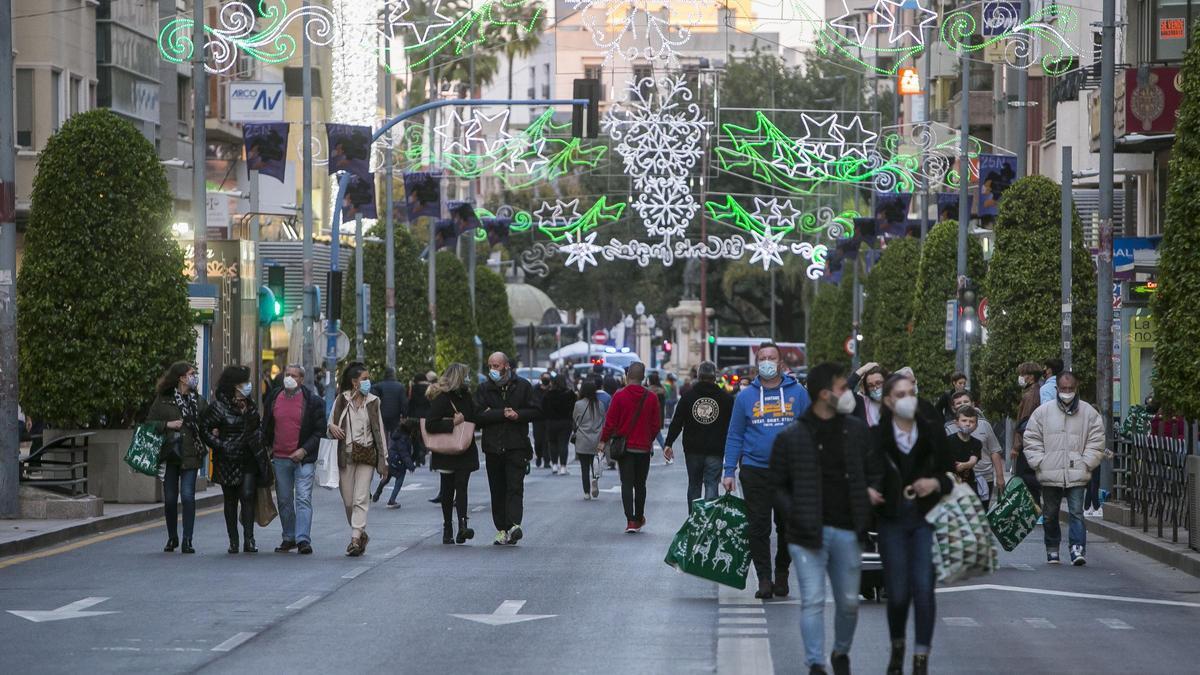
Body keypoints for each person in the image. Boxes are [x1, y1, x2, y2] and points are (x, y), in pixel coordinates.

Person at [770, 363, 883, 675]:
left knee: (848, 602)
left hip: (848, 529)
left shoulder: (856, 431)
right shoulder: (792, 436)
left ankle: (841, 652)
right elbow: (777, 485)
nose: (848, 393)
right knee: (813, 600)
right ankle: (816, 663)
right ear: (824, 395)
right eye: (842, 388)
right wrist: (794, 513)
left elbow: (874, 468)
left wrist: (872, 490)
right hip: (806, 534)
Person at [873, 373, 956, 675]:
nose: (907, 399)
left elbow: (950, 477)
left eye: (911, 392)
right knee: (896, 593)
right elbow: (863, 474)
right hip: (892, 519)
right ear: (887, 401)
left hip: (925, 519)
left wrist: (933, 482)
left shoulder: (932, 432)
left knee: (923, 588)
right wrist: (870, 491)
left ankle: (921, 658)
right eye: (900, 394)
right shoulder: (876, 436)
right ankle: (898, 646)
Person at [722, 342, 811, 599]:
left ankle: (782, 571)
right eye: (763, 358)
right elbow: (735, 434)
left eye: (772, 357)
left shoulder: (799, 393)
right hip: (754, 470)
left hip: (790, 472)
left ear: (781, 362)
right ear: (757, 363)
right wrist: (729, 470)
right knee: (758, 527)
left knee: (788, 526)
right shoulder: (745, 397)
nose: (768, 362)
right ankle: (764, 577)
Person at [1022, 371, 1106, 566]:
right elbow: (1031, 438)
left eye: (1070, 388)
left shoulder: (1089, 413)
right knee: (1050, 514)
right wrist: (1039, 462)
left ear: (1076, 389)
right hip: (1049, 471)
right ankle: (1052, 549)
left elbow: (1097, 440)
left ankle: (1077, 549)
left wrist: (1087, 462)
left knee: (1076, 512)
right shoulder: (1043, 412)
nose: (1066, 392)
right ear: (1057, 389)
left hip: (1077, 471)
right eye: (1063, 388)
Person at [475, 352, 540, 546]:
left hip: (516, 445)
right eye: (490, 366)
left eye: (496, 366)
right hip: (493, 447)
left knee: (515, 487)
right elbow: (477, 415)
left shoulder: (523, 387)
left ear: (506, 366)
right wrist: (501, 414)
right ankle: (502, 529)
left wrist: (518, 415)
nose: (493, 370)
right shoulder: (484, 389)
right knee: (497, 489)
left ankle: (513, 525)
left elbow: (536, 411)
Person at [200, 365, 266, 554]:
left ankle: (249, 539)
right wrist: (220, 445)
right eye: (244, 382)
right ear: (234, 385)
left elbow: (257, 427)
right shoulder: (219, 406)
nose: (248, 386)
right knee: (230, 501)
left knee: (247, 496)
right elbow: (204, 428)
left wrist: (260, 443)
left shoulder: (250, 404)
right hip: (227, 460)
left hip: (249, 458)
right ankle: (233, 540)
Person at [262, 364, 326, 555]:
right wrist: (266, 447)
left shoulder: (312, 401)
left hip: (303, 459)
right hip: (280, 458)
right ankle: (288, 537)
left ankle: (303, 539)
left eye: (293, 375)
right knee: (284, 499)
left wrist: (304, 450)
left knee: (303, 498)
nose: (289, 378)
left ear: (301, 379)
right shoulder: (274, 397)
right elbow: (267, 425)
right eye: (287, 374)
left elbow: (319, 431)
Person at [327, 362, 389, 557]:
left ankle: (355, 538)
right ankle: (360, 533)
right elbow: (330, 423)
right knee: (348, 501)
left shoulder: (373, 401)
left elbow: (379, 430)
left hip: (367, 455)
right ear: (354, 382)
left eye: (368, 379)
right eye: (364, 379)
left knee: (361, 498)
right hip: (346, 455)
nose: (368, 382)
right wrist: (332, 428)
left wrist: (384, 460)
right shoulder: (341, 400)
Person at [146, 362, 208, 554]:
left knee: (188, 496)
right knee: (171, 498)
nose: (194, 377)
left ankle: (187, 539)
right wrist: (168, 424)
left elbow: (207, 423)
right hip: (171, 453)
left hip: (191, 454)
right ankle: (172, 537)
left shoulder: (198, 401)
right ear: (181, 377)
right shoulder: (163, 400)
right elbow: (149, 423)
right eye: (191, 374)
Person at [600, 362, 662, 533]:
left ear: (627, 376)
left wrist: (603, 440)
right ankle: (639, 516)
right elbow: (657, 425)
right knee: (640, 484)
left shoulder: (619, 397)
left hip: (625, 449)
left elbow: (610, 422)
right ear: (643, 378)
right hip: (643, 448)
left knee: (626, 483)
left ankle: (630, 520)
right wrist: (648, 438)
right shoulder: (651, 398)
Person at [424, 363, 480, 545]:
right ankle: (448, 526)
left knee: (462, 486)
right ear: (460, 377)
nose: (469, 379)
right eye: (467, 375)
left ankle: (462, 525)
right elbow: (430, 424)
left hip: (464, 448)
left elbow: (473, 418)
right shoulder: (442, 398)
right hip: (447, 450)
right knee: (447, 490)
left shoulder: (467, 396)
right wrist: (453, 423)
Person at [665, 361, 732, 507]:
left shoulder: (688, 397)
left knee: (694, 485)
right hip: (716, 449)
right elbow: (733, 427)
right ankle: (708, 524)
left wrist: (668, 443)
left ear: (698, 376)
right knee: (712, 485)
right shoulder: (726, 399)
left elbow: (677, 422)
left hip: (693, 449)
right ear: (715, 377)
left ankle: (694, 522)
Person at [943, 390, 1005, 509]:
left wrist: (1000, 476)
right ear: (953, 407)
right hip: (957, 482)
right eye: (958, 403)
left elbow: (994, 451)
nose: (963, 404)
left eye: (966, 401)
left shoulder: (984, 425)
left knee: (982, 512)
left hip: (984, 477)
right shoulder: (948, 429)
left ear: (972, 403)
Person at [371, 367, 412, 508]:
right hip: (395, 416)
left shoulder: (379, 385)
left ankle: (385, 456)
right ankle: (392, 454)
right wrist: (404, 415)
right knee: (394, 438)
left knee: (384, 437)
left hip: (382, 414)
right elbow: (404, 403)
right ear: (393, 375)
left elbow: (373, 390)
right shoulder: (399, 386)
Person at [1011, 361, 1045, 506]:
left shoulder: (1030, 395)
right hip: (1034, 442)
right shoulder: (1037, 391)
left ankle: (1033, 507)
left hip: (1027, 443)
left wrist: (1016, 446)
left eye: (1022, 374)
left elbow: (1024, 424)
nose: (1020, 377)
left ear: (1030, 376)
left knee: (1024, 477)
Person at [572, 380, 606, 500]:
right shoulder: (600, 404)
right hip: (596, 439)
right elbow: (603, 420)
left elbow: (575, 420)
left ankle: (586, 492)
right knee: (595, 465)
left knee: (584, 467)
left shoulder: (578, 404)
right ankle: (594, 479)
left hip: (582, 439)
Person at [945, 406, 982, 487]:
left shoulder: (976, 443)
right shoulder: (947, 441)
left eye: (971, 421)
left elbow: (973, 461)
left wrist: (963, 465)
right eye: (964, 420)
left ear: (976, 426)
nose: (968, 424)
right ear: (956, 423)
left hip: (968, 483)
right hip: (949, 483)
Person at [848, 362, 886, 428]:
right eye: (870, 385)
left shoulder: (896, 401)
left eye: (878, 383)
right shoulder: (862, 402)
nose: (875, 388)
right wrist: (861, 371)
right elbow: (844, 394)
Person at [531, 372, 552, 469]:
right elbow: (533, 402)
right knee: (538, 440)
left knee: (547, 440)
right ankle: (539, 456)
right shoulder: (535, 389)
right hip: (538, 418)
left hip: (548, 418)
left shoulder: (551, 390)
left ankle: (547, 460)